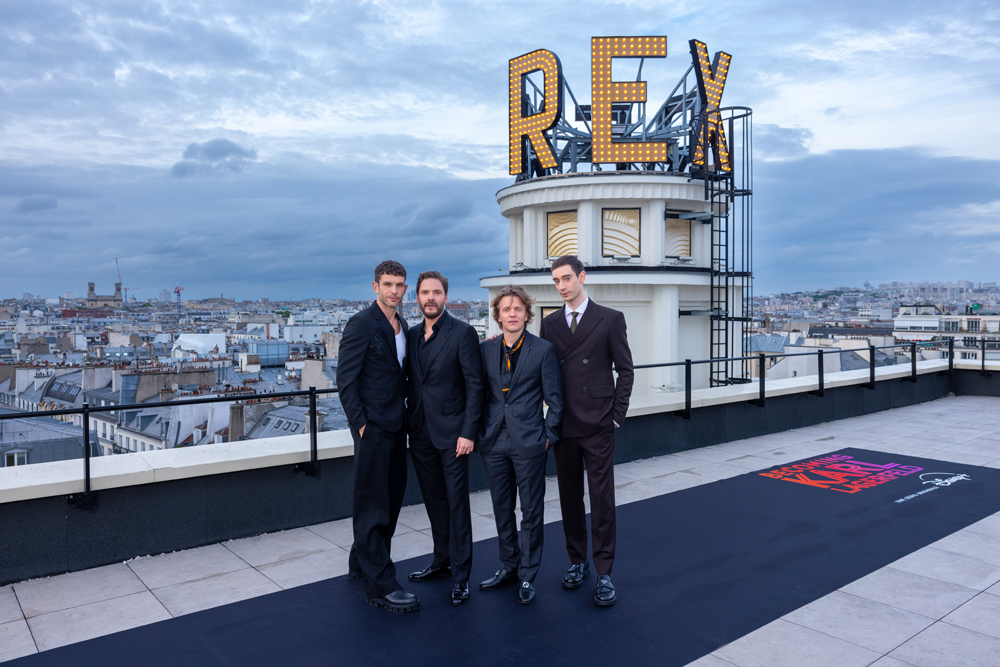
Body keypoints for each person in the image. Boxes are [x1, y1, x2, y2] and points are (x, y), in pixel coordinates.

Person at [539, 255, 634, 607]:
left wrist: (615, 417)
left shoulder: (610, 319)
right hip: (564, 424)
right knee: (569, 497)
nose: (562, 286)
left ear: (582, 276)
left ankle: (604, 570)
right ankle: (577, 562)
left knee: (601, 498)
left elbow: (625, 371)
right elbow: (543, 371)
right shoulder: (548, 324)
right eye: (556, 281)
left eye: (566, 279)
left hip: (598, 424)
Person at [338, 260, 417, 613]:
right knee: (373, 505)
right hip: (373, 428)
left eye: (400, 285)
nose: (395, 291)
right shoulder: (360, 324)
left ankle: (361, 562)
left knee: (391, 498)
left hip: (397, 426)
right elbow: (346, 381)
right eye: (388, 284)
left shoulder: (403, 326)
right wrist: (362, 426)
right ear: (375, 287)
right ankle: (380, 584)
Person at [478, 284, 563, 605]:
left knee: (531, 512)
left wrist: (547, 438)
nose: (512, 314)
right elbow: (481, 395)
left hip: (529, 443)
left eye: (517, 309)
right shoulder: (485, 349)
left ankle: (528, 575)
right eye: (506, 309)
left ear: (527, 314)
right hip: (493, 443)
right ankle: (509, 566)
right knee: (502, 511)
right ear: (498, 316)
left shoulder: (543, 350)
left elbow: (556, 401)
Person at [405, 271, 485, 607]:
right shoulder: (410, 335)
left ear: (446, 298)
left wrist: (468, 432)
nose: (430, 298)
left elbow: (475, 386)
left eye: (436, 293)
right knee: (434, 502)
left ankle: (461, 575)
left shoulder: (463, 333)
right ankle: (441, 561)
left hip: (454, 436)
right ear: (418, 298)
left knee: (456, 505)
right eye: (425, 293)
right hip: (420, 432)